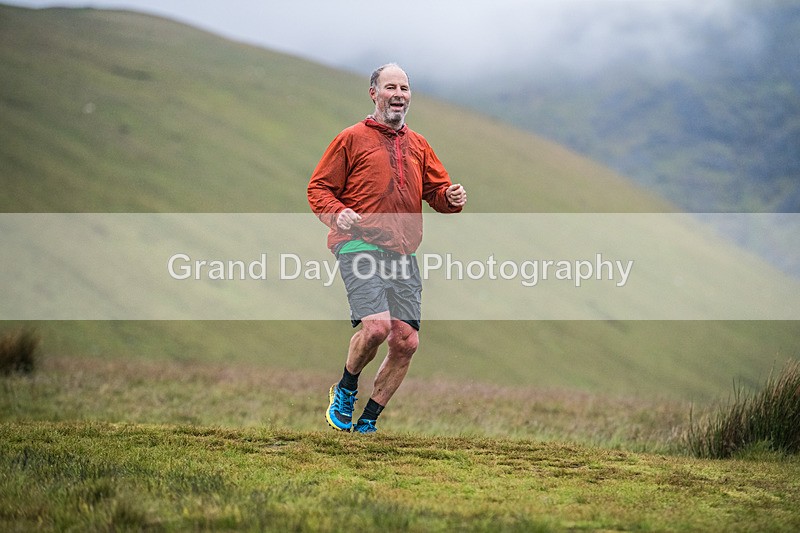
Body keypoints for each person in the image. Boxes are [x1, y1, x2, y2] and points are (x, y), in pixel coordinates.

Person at [307, 63, 467, 434]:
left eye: (405, 88)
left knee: (406, 341)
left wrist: (451, 196)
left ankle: (368, 423)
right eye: (391, 87)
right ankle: (346, 389)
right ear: (374, 93)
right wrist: (337, 213)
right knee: (377, 328)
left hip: (402, 252)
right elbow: (318, 189)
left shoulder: (419, 144)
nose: (399, 94)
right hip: (358, 244)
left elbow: (438, 194)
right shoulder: (350, 138)